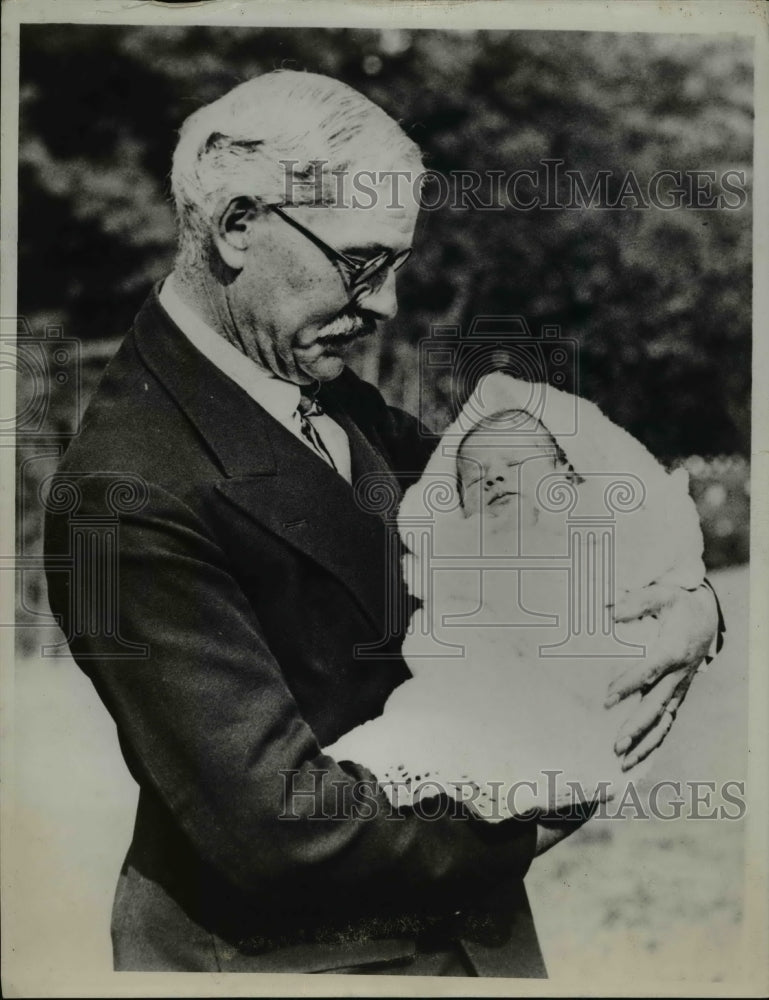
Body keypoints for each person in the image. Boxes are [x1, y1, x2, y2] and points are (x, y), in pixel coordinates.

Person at [43, 70, 724, 977]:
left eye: (396, 267)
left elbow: (524, 525)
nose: (386, 306)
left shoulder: (304, 381)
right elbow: (279, 831)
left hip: (451, 943)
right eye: (363, 263)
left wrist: (690, 604)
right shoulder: (118, 495)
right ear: (239, 225)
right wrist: (544, 811)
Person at [324, 373, 709, 822]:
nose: (494, 479)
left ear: (567, 475)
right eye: (475, 479)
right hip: (489, 686)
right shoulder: (464, 552)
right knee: (417, 729)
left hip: (585, 679)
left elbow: (664, 548)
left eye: (516, 464)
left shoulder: (594, 525)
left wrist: (698, 601)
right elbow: (438, 618)